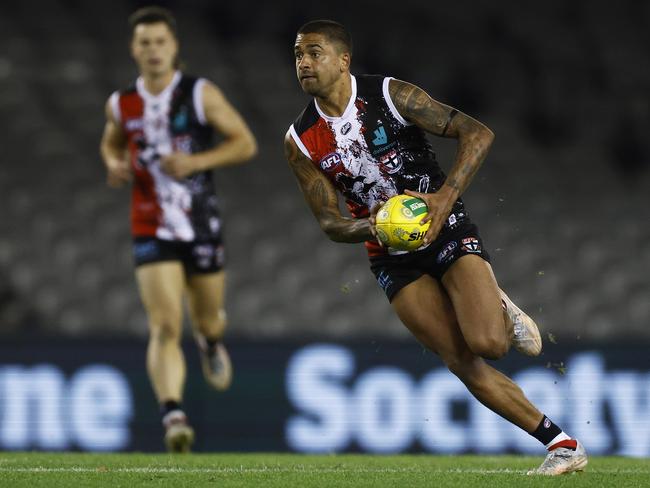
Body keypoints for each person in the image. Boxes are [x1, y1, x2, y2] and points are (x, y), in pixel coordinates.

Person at [284, 20, 587, 475]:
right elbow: (329, 222)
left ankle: (500, 307)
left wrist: (445, 200)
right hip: (389, 254)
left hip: (443, 226)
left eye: (314, 52)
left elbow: (478, 133)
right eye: (297, 55)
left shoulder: (388, 95)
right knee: (459, 360)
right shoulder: (300, 140)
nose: (304, 62)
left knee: (489, 343)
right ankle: (562, 445)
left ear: (343, 60)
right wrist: (375, 227)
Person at [100, 6, 257, 452]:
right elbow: (111, 139)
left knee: (207, 320)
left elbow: (245, 142)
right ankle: (173, 415)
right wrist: (113, 163)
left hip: (200, 223)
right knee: (166, 324)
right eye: (144, 42)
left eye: (160, 42)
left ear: (174, 47)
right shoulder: (121, 103)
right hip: (150, 225)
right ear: (134, 49)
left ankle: (210, 343)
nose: (152, 50)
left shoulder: (199, 94)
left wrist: (195, 162)